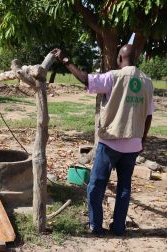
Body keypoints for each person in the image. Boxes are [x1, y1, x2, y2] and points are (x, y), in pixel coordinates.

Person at [52, 45, 154, 236]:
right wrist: (143, 140)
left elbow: (85, 79)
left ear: (119, 58)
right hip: (133, 144)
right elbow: (149, 116)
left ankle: (96, 226)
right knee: (124, 187)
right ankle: (118, 228)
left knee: (96, 186)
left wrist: (65, 60)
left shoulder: (113, 77)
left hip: (110, 143)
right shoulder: (147, 82)